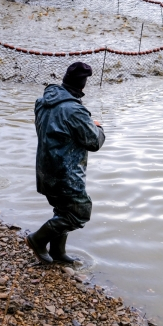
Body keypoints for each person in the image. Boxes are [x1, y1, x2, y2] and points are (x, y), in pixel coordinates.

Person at [26, 62, 106, 265]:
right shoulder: (74, 111)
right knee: (79, 213)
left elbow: (57, 129)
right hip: (66, 173)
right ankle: (37, 239)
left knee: (62, 211)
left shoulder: (42, 101)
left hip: (44, 170)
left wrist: (85, 123)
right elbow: (94, 142)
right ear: (83, 85)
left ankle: (58, 253)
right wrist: (98, 127)